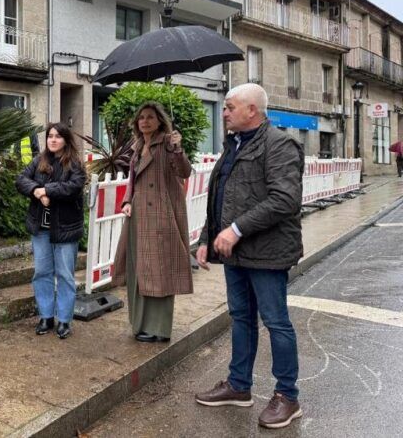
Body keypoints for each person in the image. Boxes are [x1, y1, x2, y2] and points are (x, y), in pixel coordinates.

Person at [194, 83, 304, 430]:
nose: (223, 112)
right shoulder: (233, 145)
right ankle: (239, 387)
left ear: (252, 110)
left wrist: (236, 229)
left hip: (268, 253)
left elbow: (284, 199)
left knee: (276, 322)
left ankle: (288, 396)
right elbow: (221, 197)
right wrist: (206, 238)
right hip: (235, 253)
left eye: (229, 107)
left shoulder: (280, 145)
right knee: (241, 318)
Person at [115, 101, 193, 343]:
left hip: (161, 215)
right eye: (141, 117)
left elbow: (184, 172)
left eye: (150, 117)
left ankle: (159, 329)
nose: (145, 121)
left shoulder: (169, 143)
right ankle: (140, 324)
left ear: (160, 120)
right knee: (139, 269)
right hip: (139, 215)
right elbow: (132, 180)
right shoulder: (138, 146)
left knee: (160, 272)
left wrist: (178, 149)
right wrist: (127, 201)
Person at [16, 122, 86, 339]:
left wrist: (47, 189)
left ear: (66, 139)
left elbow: (73, 187)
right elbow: (21, 180)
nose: (53, 140)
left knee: (65, 275)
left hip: (65, 229)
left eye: (58, 136)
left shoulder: (74, 163)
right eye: (50, 136)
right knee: (42, 273)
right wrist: (37, 191)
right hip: (41, 230)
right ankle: (46, 316)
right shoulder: (40, 160)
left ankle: (64, 320)